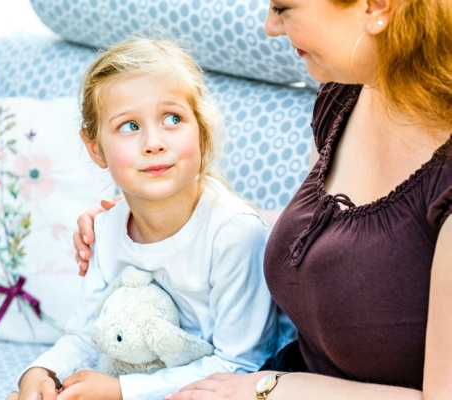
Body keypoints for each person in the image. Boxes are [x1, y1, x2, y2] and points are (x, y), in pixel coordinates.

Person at [74, 0, 452, 399]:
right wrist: (150, 221)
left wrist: (268, 387)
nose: (270, 26)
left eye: (283, 7)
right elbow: (323, 240)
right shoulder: (345, 95)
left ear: (376, 6)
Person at [8, 37, 292, 400]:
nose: (154, 142)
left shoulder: (234, 235)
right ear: (95, 148)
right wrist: (41, 371)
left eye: (173, 118)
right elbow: (86, 334)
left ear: (202, 132)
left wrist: (122, 390)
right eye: (129, 126)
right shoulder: (105, 228)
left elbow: (242, 364)